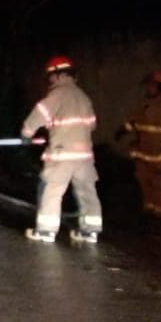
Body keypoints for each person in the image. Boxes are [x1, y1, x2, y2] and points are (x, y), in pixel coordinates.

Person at [20, 55, 103, 243]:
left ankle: (46, 231)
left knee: (51, 189)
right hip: (84, 155)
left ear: (58, 75)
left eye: (51, 76)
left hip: (62, 153)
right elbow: (92, 125)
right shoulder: (84, 97)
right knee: (86, 190)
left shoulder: (57, 95)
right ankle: (90, 231)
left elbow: (39, 114)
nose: (49, 80)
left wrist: (26, 134)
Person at [121, 70, 161, 217]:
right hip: (144, 153)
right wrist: (122, 130)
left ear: (160, 87)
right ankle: (149, 209)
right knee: (145, 181)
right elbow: (136, 122)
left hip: (159, 154)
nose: (148, 88)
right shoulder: (145, 104)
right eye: (148, 85)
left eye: (151, 85)